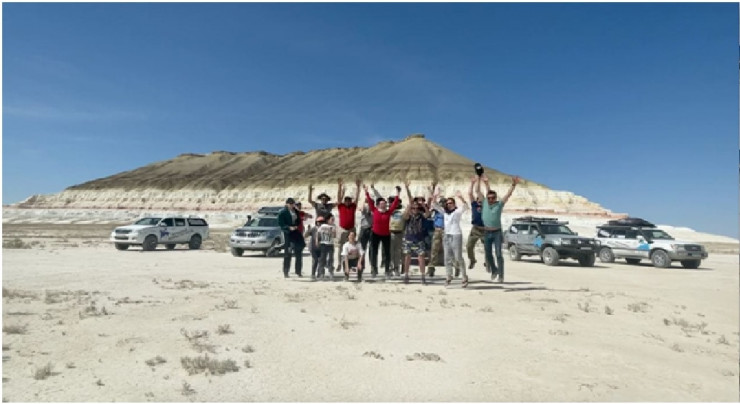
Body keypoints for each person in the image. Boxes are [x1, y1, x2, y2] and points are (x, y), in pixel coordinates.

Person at [481, 174, 520, 283]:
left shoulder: (499, 205)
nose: (491, 199)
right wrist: (486, 183)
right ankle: (494, 270)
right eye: (489, 198)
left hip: (497, 233)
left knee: (498, 254)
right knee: (488, 254)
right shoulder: (485, 203)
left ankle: (501, 276)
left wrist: (513, 185)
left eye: (493, 198)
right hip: (487, 232)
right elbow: (488, 192)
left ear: (495, 198)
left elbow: (508, 195)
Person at [431, 190, 469, 287]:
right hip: (446, 235)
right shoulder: (445, 212)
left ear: (454, 204)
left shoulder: (457, 212)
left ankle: (464, 276)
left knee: (458, 257)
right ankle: (448, 276)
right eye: (447, 203)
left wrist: (461, 197)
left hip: (456, 235)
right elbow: (434, 205)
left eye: (451, 203)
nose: (449, 205)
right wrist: (435, 196)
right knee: (447, 257)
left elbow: (465, 206)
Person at [365, 184, 401, 280]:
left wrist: (398, 194)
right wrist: (366, 192)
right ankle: (374, 269)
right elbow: (370, 202)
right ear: (378, 205)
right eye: (382, 203)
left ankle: (387, 271)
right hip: (375, 234)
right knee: (374, 252)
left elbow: (395, 204)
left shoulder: (388, 212)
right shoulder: (374, 210)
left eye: (385, 203)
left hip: (386, 235)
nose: (384, 205)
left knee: (387, 253)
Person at [402, 198, 431, 284]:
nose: (415, 210)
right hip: (409, 239)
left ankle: (422, 276)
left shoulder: (421, 215)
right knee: (407, 257)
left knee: (421, 258)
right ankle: (406, 275)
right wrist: (409, 206)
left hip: (419, 239)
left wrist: (423, 206)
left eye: (417, 208)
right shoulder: (408, 215)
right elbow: (405, 216)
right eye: (413, 208)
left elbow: (428, 214)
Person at [336, 178, 361, 272]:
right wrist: (339, 186)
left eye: (349, 200)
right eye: (346, 200)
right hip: (342, 229)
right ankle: (339, 263)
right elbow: (339, 198)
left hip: (351, 229)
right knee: (341, 246)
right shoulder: (341, 206)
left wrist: (358, 187)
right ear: (344, 201)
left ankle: (351, 265)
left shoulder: (353, 206)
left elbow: (357, 198)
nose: (347, 202)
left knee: (352, 247)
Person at [277, 198, 305, 278]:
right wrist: (288, 227)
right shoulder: (283, 212)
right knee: (288, 252)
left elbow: (298, 220)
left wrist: (296, 225)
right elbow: (281, 223)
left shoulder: (295, 211)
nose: (292, 205)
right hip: (288, 233)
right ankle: (286, 271)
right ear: (287, 204)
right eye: (291, 204)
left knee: (299, 251)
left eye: (293, 204)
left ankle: (298, 271)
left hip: (295, 231)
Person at [358, 184, 382, 269]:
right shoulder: (364, 207)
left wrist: (373, 189)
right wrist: (365, 194)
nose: (368, 202)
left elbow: (380, 198)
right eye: (367, 201)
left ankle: (373, 266)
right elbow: (361, 208)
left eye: (370, 201)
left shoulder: (375, 209)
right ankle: (361, 265)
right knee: (362, 248)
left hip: (372, 229)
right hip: (364, 229)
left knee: (372, 249)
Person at [466, 175, 487, 271]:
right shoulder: (474, 205)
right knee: (469, 246)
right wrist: (473, 182)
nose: (481, 200)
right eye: (479, 199)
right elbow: (470, 193)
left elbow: (480, 191)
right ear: (477, 200)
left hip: (485, 229)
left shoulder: (487, 206)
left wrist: (484, 183)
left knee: (487, 247)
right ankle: (472, 260)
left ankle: (487, 261)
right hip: (475, 229)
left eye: (482, 199)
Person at [388, 191, 405, 278]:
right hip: (390, 233)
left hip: (399, 233)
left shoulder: (402, 210)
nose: (393, 203)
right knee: (390, 252)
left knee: (397, 252)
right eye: (391, 201)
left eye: (395, 201)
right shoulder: (388, 211)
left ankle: (396, 268)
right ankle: (390, 269)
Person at [317, 214, 337, 280]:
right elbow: (318, 233)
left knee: (331, 259)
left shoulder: (333, 226)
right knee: (322, 259)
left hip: (330, 244)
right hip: (323, 244)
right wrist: (317, 241)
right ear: (328, 220)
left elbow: (334, 236)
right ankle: (321, 274)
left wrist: (332, 231)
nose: (333, 220)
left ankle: (331, 273)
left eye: (333, 219)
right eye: (332, 219)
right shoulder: (323, 226)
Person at [308, 216, 325, 280]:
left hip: (321, 248)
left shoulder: (325, 229)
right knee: (315, 261)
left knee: (321, 261)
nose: (320, 223)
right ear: (316, 222)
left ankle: (320, 274)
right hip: (313, 248)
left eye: (322, 222)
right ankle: (313, 274)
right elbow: (306, 235)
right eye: (319, 222)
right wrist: (308, 229)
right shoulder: (313, 229)